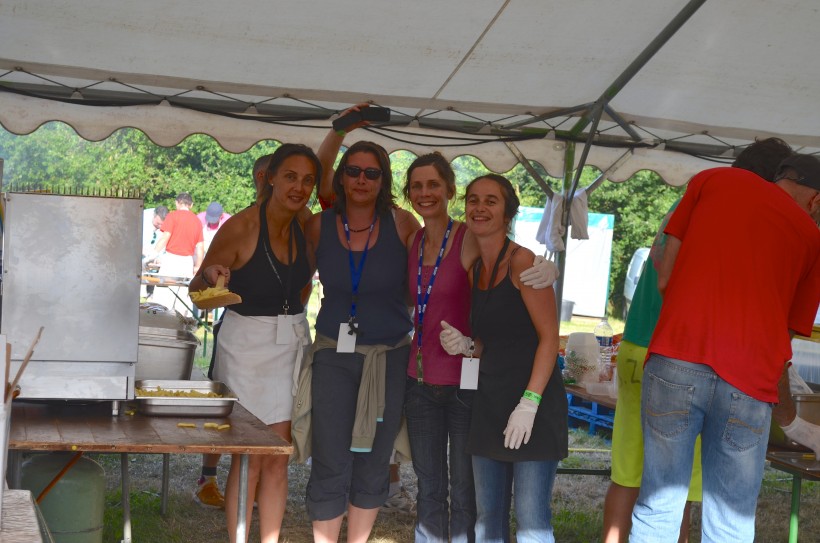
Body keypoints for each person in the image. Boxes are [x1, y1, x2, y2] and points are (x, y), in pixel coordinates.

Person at [601, 137, 794, 543]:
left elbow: (662, 262)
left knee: (636, 476)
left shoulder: (700, 197)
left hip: (645, 343)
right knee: (674, 487)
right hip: (684, 352)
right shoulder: (747, 216)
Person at [188, 143, 321, 543]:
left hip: (290, 344)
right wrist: (211, 275)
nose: (299, 187)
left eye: (308, 180)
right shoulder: (242, 227)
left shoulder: (305, 224)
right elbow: (197, 287)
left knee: (277, 459)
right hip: (245, 348)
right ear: (270, 178)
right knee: (248, 460)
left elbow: (301, 285)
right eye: (291, 177)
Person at [295, 139, 419, 543]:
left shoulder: (402, 224)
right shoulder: (318, 224)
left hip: (389, 357)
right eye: (353, 171)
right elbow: (296, 284)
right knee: (330, 455)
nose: (361, 180)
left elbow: (420, 287)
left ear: (383, 181)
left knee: (373, 458)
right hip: (333, 353)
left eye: (372, 173)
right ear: (341, 176)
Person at [439, 174, 567, 543]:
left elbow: (548, 339)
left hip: (533, 405)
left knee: (531, 519)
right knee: (487, 516)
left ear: (508, 214)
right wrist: (466, 345)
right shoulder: (476, 268)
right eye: (474, 199)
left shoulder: (521, 261)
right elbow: (492, 342)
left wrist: (529, 403)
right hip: (489, 403)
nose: (480, 208)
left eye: (491, 201)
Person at [148, 192, 204, 316]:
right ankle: (181, 325)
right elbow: (200, 247)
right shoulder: (197, 221)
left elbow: (165, 237)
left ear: (177, 203)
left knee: (164, 294)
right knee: (182, 297)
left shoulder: (173, 216)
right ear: (191, 205)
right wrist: (197, 266)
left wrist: (152, 255)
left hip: (171, 260)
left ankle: (159, 321)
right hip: (186, 262)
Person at [141, 205, 168, 300]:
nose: (160, 226)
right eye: (158, 223)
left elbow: (163, 242)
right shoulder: (142, 217)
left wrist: (158, 257)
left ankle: (150, 295)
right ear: (154, 215)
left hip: (153, 262)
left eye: (162, 224)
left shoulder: (166, 224)